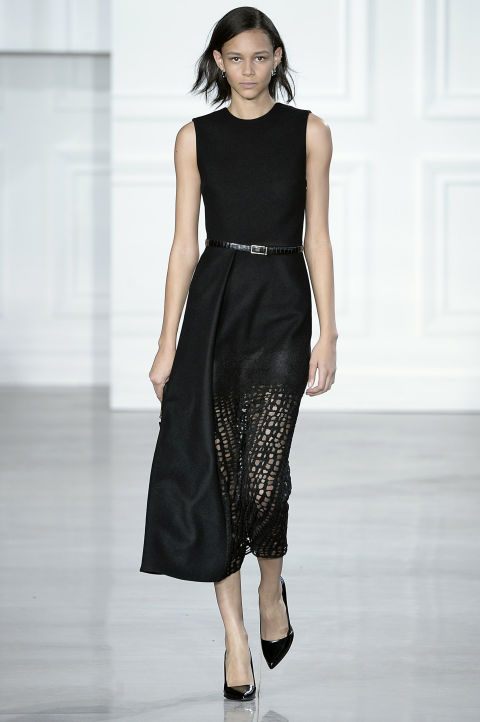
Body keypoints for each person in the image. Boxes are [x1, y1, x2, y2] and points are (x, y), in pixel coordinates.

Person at [139, 7, 337, 701]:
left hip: (281, 301)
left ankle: (271, 590)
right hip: (216, 305)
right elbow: (182, 245)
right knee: (220, 479)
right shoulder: (195, 137)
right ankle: (233, 638)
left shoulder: (309, 131)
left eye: (259, 56)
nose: (248, 70)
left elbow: (318, 236)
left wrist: (329, 332)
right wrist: (166, 342)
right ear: (217, 62)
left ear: (276, 58)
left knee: (263, 478)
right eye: (235, 58)